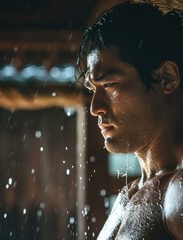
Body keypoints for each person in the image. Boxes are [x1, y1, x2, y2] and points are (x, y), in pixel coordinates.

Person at [78, 1, 183, 239]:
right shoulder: (131, 192)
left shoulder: (178, 191)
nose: (95, 108)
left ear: (166, 78)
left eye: (109, 85)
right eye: (93, 89)